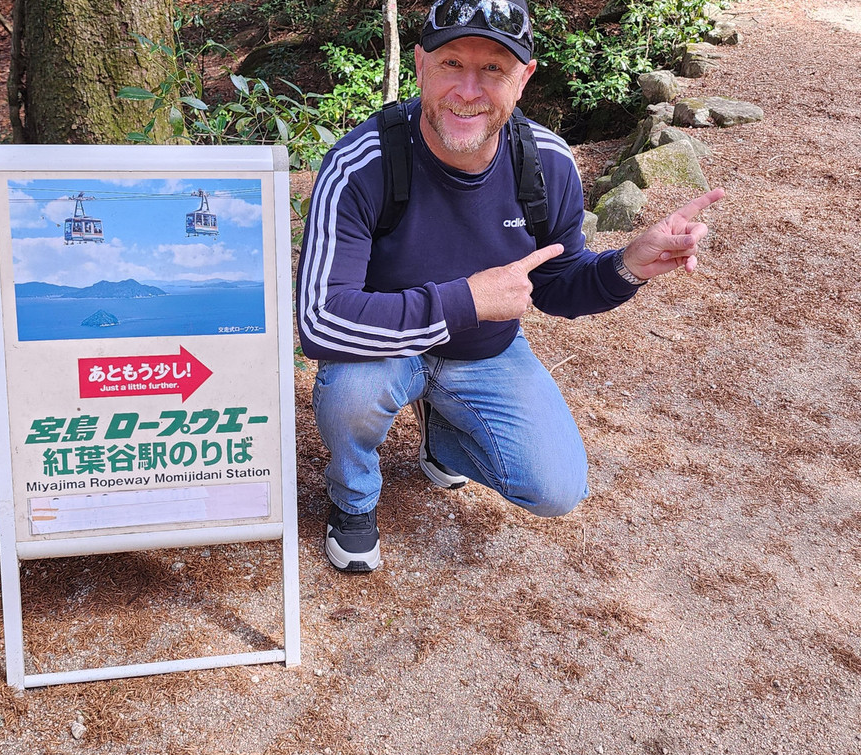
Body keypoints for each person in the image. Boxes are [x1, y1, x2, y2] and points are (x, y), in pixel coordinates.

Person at [296, 0, 725, 572]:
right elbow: (321, 319)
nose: (468, 90)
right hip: (383, 349)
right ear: (421, 66)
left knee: (557, 489)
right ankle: (353, 500)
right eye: (452, 63)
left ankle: (441, 436)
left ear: (523, 80)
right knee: (351, 394)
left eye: (494, 69)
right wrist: (467, 299)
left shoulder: (545, 163)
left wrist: (629, 265)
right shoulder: (363, 162)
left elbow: (557, 284)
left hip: (485, 352)